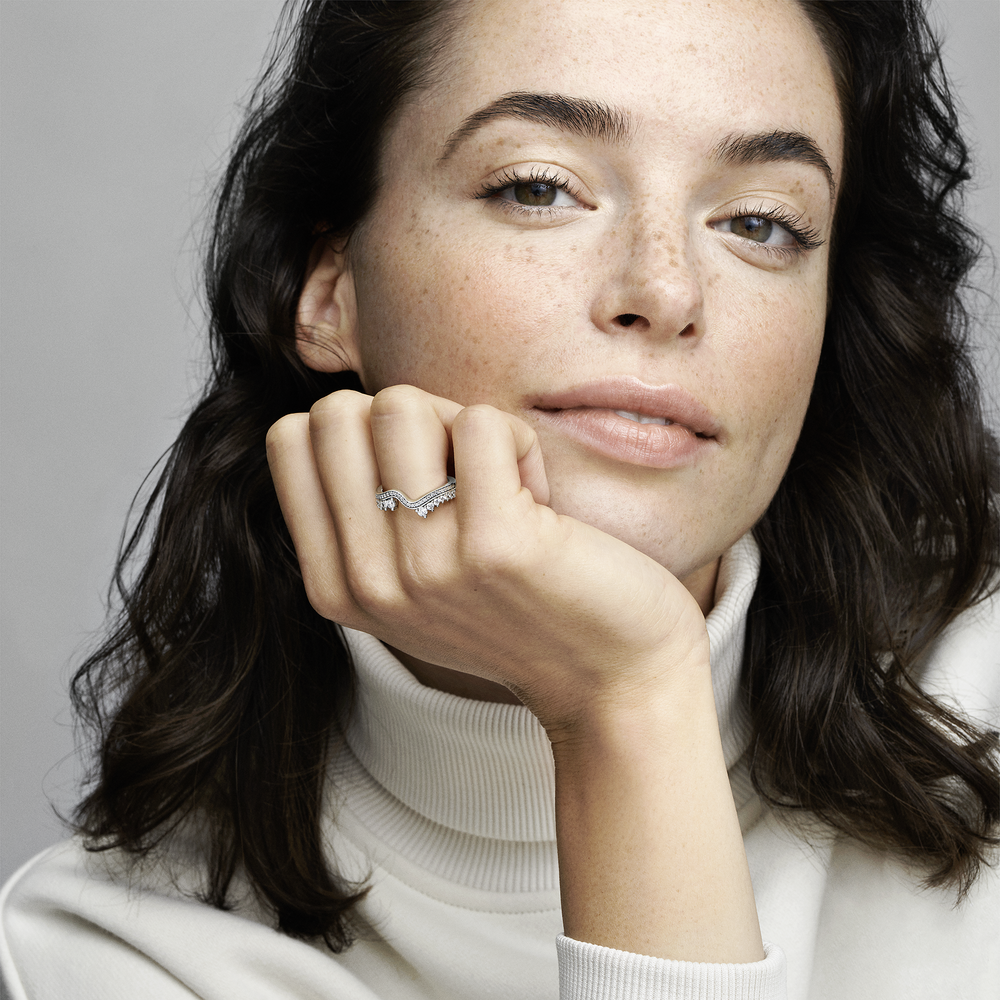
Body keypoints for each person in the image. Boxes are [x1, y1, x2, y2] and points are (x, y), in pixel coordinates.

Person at [2, 0, 998, 997]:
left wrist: (627, 695)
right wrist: (624, 699)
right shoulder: (101, 958)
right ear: (329, 284)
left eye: (759, 223)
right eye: (538, 188)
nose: (665, 291)